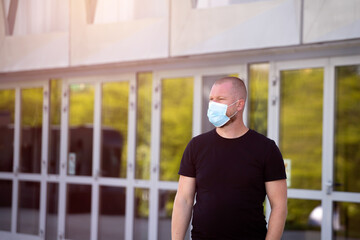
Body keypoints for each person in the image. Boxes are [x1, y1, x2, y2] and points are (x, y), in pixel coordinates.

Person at [171, 76, 287, 240]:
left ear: (239, 104)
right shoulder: (196, 146)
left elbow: (279, 206)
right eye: (212, 99)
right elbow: (183, 200)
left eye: (220, 99)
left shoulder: (266, 149)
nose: (213, 105)